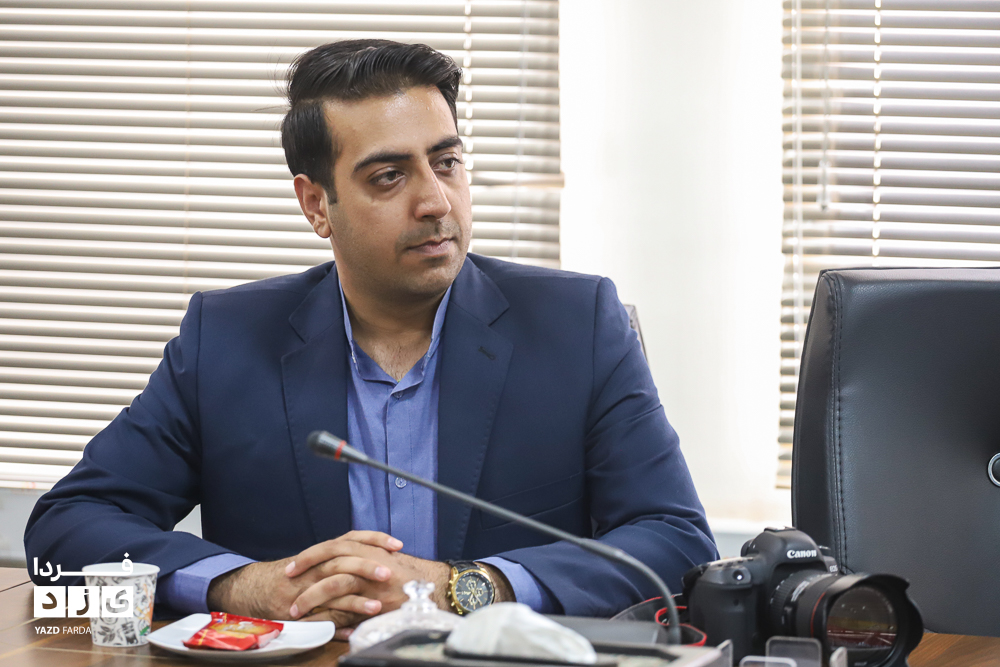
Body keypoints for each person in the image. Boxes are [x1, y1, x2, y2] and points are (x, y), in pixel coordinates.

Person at [24, 39, 717, 638]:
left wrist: (467, 587)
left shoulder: (576, 323)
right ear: (316, 204)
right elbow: (67, 528)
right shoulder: (227, 339)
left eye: (446, 162)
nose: (435, 201)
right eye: (390, 176)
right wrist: (243, 586)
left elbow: (674, 538)